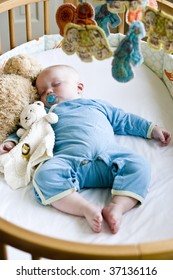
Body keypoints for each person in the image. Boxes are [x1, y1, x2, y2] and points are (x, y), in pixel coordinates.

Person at [0, 65, 171, 234]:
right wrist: (11, 143)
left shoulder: (96, 104)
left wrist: (151, 129)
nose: (49, 92)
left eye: (56, 84)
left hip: (108, 156)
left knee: (139, 165)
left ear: (79, 87)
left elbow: (124, 119)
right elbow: (28, 131)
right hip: (68, 159)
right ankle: (85, 208)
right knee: (44, 176)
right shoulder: (43, 113)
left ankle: (117, 208)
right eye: (43, 91)